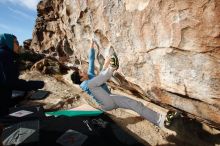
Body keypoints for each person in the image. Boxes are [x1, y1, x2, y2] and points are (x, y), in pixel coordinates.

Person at [71, 41, 166, 128]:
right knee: (93, 83)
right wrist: (105, 67)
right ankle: (112, 67)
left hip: (110, 98)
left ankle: (160, 120)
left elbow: (91, 60)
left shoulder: (90, 75)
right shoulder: (85, 85)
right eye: (80, 73)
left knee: (135, 104)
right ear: (81, 78)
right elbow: (99, 80)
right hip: (105, 102)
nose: (83, 71)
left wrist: (92, 45)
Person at [0, 33, 45, 116]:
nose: (18, 45)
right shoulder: (4, 55)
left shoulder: (8, 55)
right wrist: (35, 84)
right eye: (16, 42)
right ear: (8, 43)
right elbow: (10, 82)